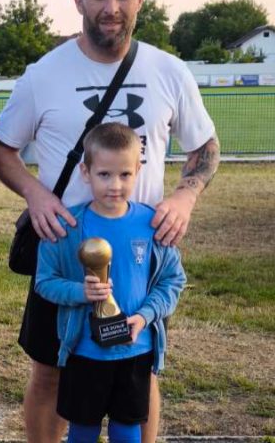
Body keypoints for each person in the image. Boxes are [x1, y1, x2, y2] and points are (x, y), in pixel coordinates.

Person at [0, 0, 219, 443]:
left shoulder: (169, 71)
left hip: (140, 250)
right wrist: (34, 194)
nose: (111, 7)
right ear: (79, 1)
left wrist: (185, 196)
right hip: (64, 247)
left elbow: (205, 147)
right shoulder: (43, 74)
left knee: (140, 370)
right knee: (51, 370)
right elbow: (1, 148)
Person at [35, 122, 186, 443]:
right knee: (82, 429)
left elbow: (173, 280)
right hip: (84, 350)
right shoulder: (67, 227)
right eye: (104, 174)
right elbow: (44, 282)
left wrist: (145, 316)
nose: (115, 185)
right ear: (85, 172)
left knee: (127, 428)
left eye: (125, 174)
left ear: (138, 171)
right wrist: (80, 292)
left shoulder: (152, 224)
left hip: (136, 349)